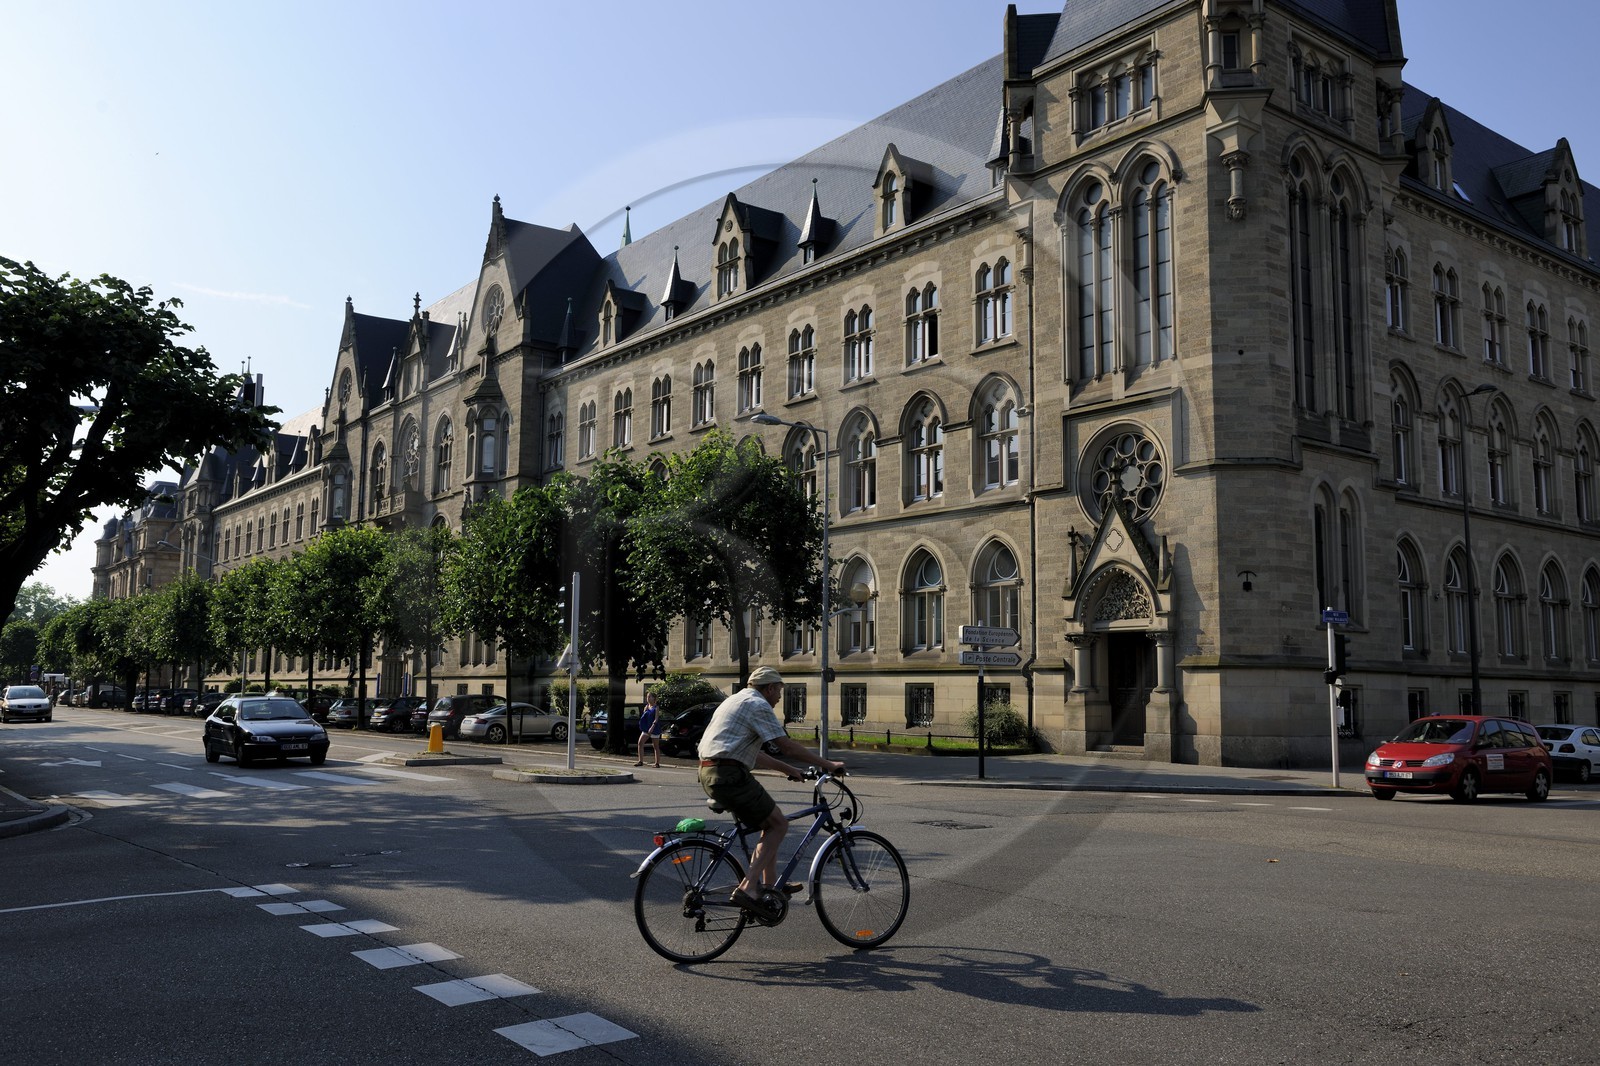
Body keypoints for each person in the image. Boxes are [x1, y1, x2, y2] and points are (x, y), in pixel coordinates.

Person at [697, 666, 845, 920]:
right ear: (768, 688)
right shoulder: (758, 704)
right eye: (779, 690)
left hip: (711, 772)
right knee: (779, 824)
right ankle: (748, 887)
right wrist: (828, 765)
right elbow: (785, 745)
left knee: (770, 821)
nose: (779, 697)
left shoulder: (736, 699)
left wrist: (789, 770)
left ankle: (769, 885)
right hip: (729, 775)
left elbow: (756, 752)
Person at [635, 690, 663, 767]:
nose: (647, 698)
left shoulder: (656, 707)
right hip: (646, 728)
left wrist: (652, 727)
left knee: (655, 746)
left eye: (649, 696)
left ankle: (657, 763)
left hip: (654, 728)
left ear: (654, 698)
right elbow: (644, 717)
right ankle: (640, 761)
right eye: (647, 696)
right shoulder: (646, 707)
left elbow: (656, 719)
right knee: (640, 743)